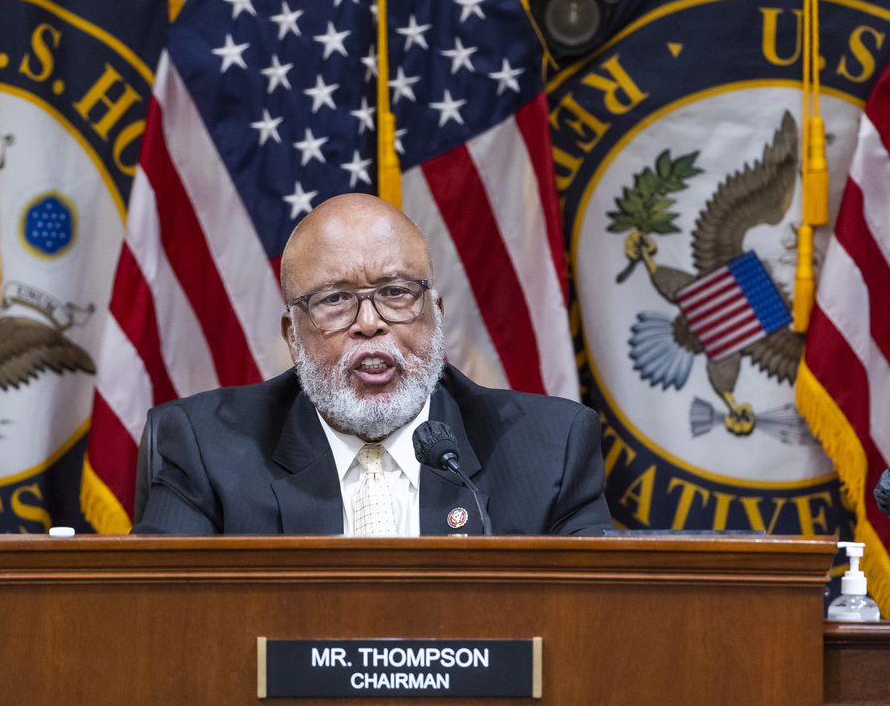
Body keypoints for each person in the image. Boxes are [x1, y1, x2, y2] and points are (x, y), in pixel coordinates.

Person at [134, 193, 612, 536]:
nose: (369, 323)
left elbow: (588, 621)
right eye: (335, 300)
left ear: (437, 315)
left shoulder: (550, 449)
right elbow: (159, 617)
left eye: (396, 292)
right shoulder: (205, 448)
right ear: (293, 338)